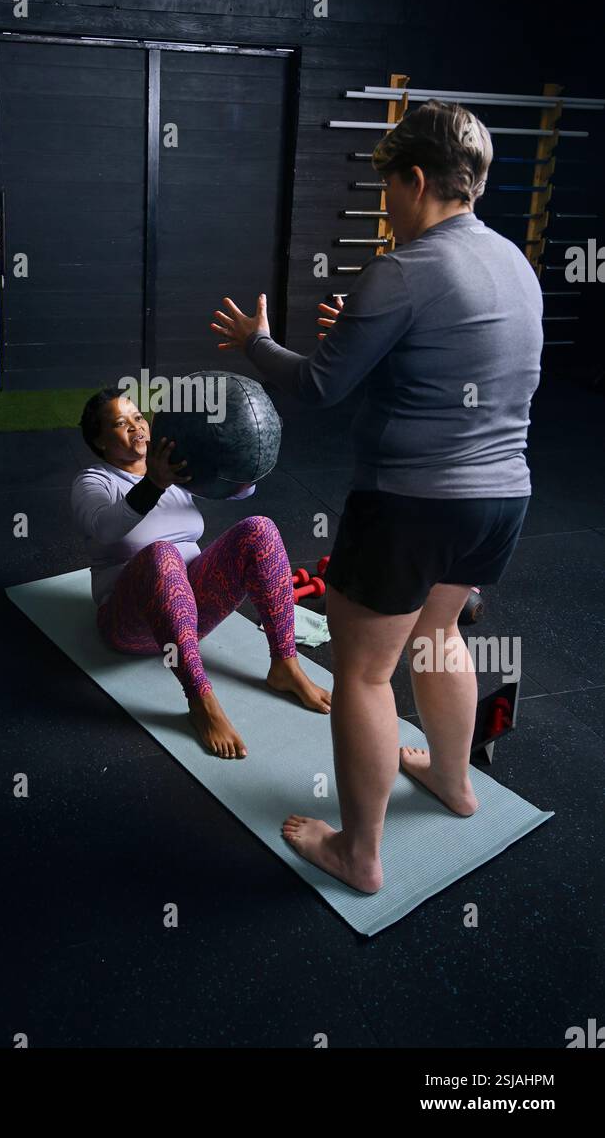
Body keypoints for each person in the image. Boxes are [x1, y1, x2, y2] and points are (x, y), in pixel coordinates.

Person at [211, 100, 543, 893]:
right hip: (502, 499)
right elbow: (463, 362)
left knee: (363, 673)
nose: (384, 205)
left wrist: (254, 344)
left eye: (387, 188)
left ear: (418, 180)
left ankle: (356, 854)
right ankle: (456, 784)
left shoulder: (404, 269)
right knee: (441, 637)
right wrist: (371, 332)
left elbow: (322, 385)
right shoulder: (517, 265)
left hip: (410, 505)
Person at [71, 387, 332, 758]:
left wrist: (247, 451)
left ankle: (285, 664)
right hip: (131, 623)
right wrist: (155, 483)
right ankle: (201, 702)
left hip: (192, 613)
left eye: (138, 417)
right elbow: (106, 529)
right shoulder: (94, 483)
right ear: (99, 441)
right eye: (120, 423)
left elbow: (234, 492)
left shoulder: (167, 468)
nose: (136, 427)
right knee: (160, 555)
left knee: (260, 528)